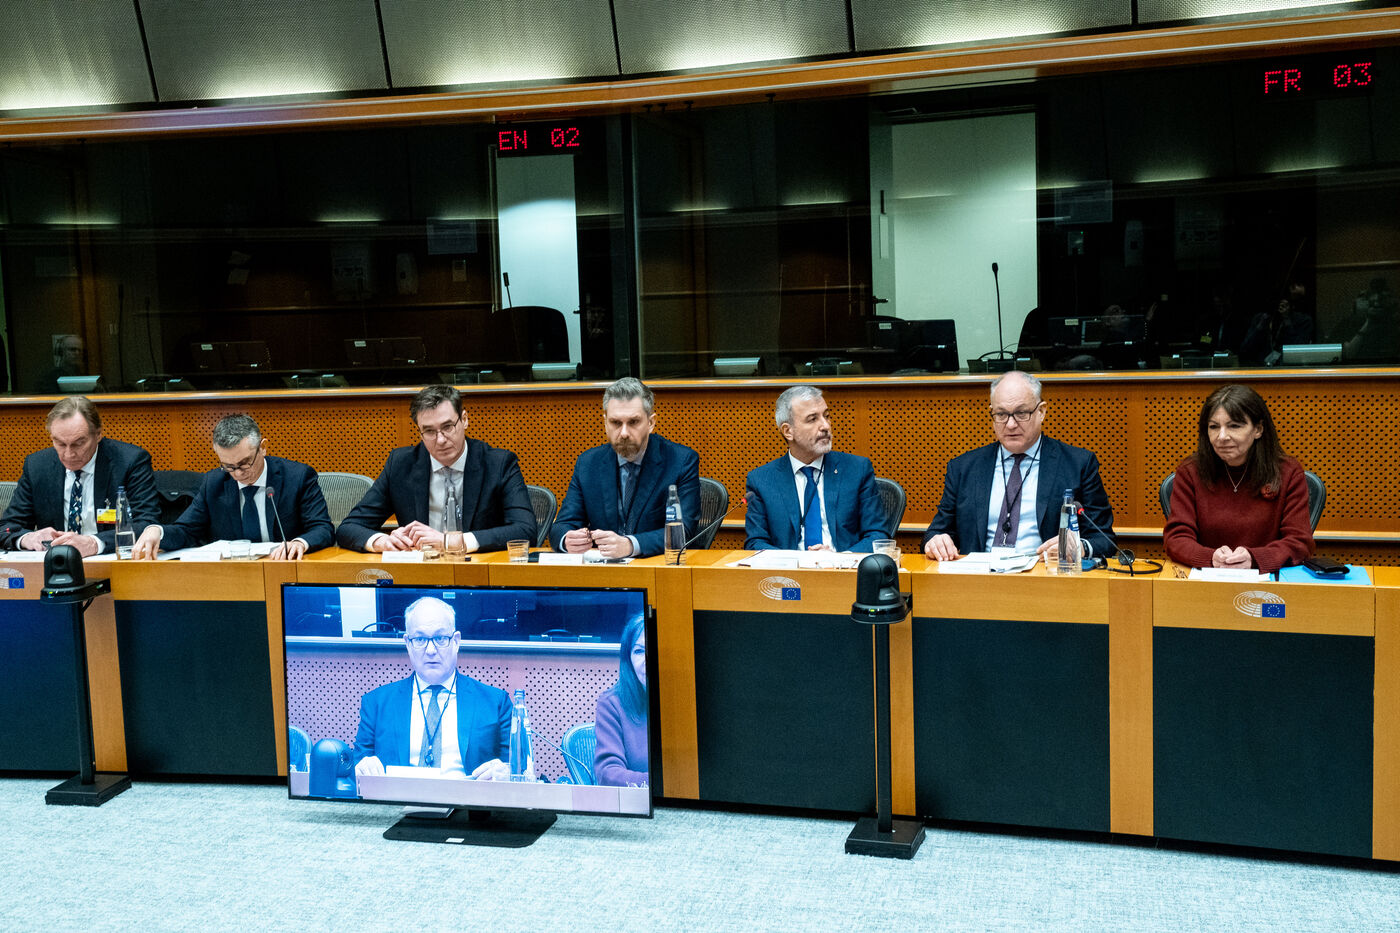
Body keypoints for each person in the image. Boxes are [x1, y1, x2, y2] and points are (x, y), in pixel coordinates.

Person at [922, 371, 1116, 561]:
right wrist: (936, 541)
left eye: (1021, 413)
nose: (1010, 424)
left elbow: (1104, 539)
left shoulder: (1078, 464)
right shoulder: (963, 468)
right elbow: (936, 532)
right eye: (1001, 414)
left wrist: (1079, 547)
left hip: (1044, 574)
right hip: (979, 575)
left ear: (1041, 412)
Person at [336, 384, 536, 553]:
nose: (440, 440)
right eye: (430, 431)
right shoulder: (401, 464)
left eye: (447, 427)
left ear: (464, 420)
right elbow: (349, 527)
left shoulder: (499, 463)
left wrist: (452, 543)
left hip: (480, 573)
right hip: (421, 574)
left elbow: (525, 530)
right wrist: (383, 541)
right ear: (419, 432)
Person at [130, 413, 333, 560]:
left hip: (283, 571)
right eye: (228, 466)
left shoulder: (297, 477)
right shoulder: (214, 483)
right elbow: (187, 531)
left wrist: (299, 543)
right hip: (232, 577)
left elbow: (322, 528)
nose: (238, 473)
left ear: (262, 448)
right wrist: (157, 531)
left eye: (245, 463)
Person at [352, 596, 513, 780]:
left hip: (468, 798)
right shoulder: (377, 703)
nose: (430, 650)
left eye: (440, 638)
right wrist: (361, 767)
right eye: (420, 639)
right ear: (408, 644)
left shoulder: (495, 703)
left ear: (456, 641)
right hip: (396, 798)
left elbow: (517, 768)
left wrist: (507, 773)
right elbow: (357, 765)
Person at [1163, 384, 1314, 571]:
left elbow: (1299, 542)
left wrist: (1254, 559)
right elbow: (1176, 539)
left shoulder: (1288, 472)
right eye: (1214, 427)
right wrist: (1211, 558)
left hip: (1268, 580)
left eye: (1234, 426)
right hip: (1207, 578)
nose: (1222, 436)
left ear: (1258, 429)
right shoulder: (1191, 471)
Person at [550, 378, 700, 558]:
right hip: (603, 569)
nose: (624, 433)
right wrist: (567, 540)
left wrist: (630, 545)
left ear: (651, 423)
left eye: (633, 422)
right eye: (615, 423)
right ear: (605, 422)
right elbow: (562, 526)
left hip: (655, 566)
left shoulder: (681, 461)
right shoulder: (588, 463)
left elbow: (683, 530)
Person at [0, 396, 159, 555]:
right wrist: (26, 538)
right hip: (55, 562)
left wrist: (94, 543)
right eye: (60, 444)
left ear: (98, 434)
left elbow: (147, 525)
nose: (69, 454)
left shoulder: (129, 462)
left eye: (78, 443)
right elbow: (7, 527)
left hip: (109, 559)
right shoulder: (37, 466)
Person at [744, 385, 887, 551]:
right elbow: (755, 543)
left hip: (844, 565)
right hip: (789, 567)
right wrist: (798, 560)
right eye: (812, 419)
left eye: (826, 416)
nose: (825, 426)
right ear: (788, 431)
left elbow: (878, 535)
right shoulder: (761, 480)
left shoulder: (857, 470)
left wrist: (839, 560)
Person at [593, 613, 649, 787]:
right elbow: (608, 774)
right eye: (639, 651)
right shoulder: (612, 703)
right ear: (628, 660)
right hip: (637, 801)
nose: (647, 659)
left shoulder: (690, 701)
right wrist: (661, 784)